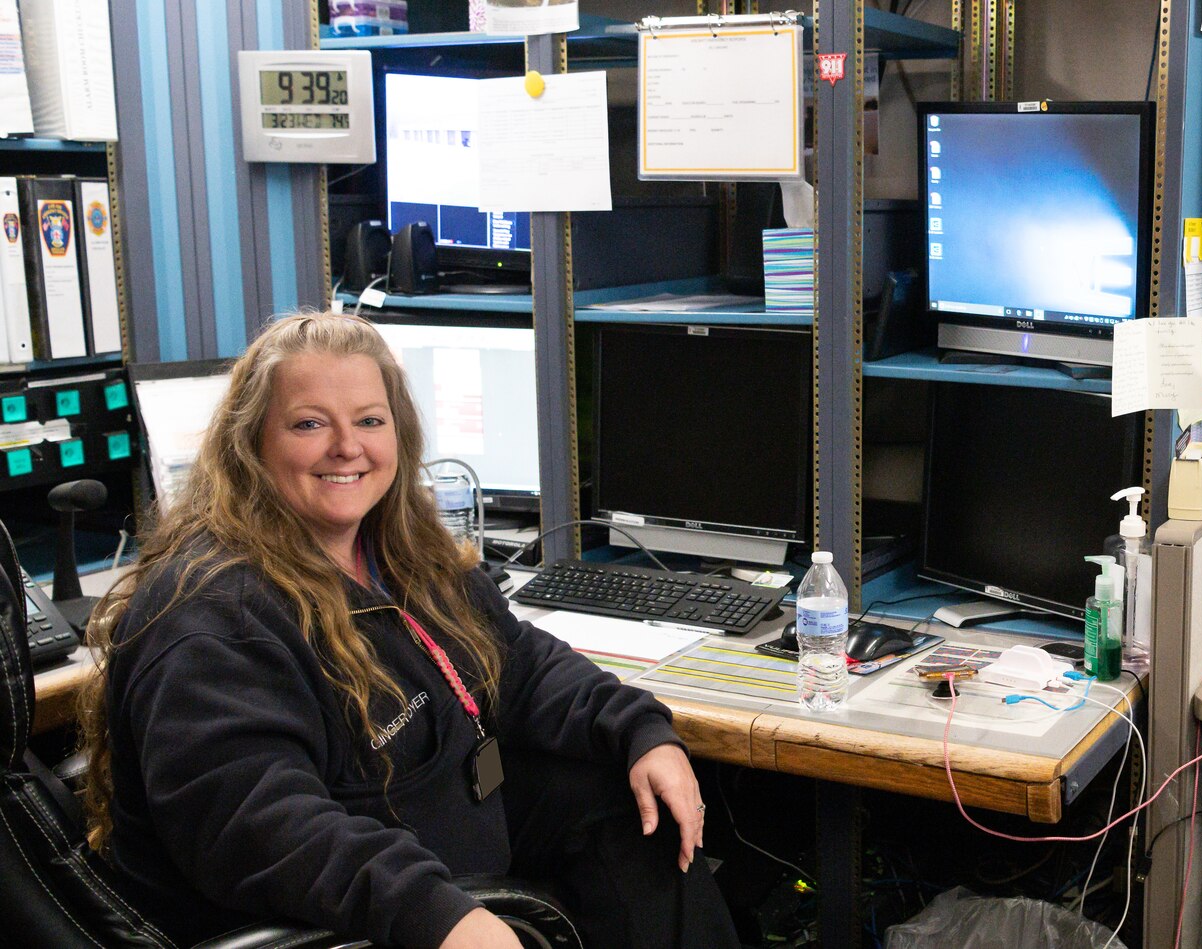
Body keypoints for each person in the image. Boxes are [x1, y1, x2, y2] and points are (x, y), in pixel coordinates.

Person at [73, 312, 737, 949]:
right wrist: (431, 909)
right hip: (346, 916)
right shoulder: (216, 615)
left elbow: (520, 662)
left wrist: (641, 730)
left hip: (438, 848)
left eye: (369, 420)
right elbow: (257, 822)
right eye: (309, 423)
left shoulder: (395, 551)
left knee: (629, 804)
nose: (347, 447)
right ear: (250, 444)